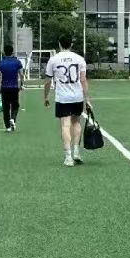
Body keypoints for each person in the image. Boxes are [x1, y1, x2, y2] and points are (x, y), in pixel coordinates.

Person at [43, 35, 91, 167]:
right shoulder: (79, 59)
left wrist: (46, 97)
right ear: (71, 44)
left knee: (65, 125)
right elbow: (83, 80)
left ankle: (68, 156)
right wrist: (87, 98)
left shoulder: (53, 59)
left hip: (62, 97)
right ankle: (76, 151)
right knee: (76, 123)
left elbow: (47, 81)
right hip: (77, 96)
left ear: (59, 44)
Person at [0, 44, 24, 132]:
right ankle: (13, 118)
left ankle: (7, 127)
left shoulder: (1, 63)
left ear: (4, 52)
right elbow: (21, 74)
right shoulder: (17, 62)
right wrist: (21, 84)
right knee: (15, 105)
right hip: (14, 87)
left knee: (6, 107)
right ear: (12, 52)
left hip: (4, 87)